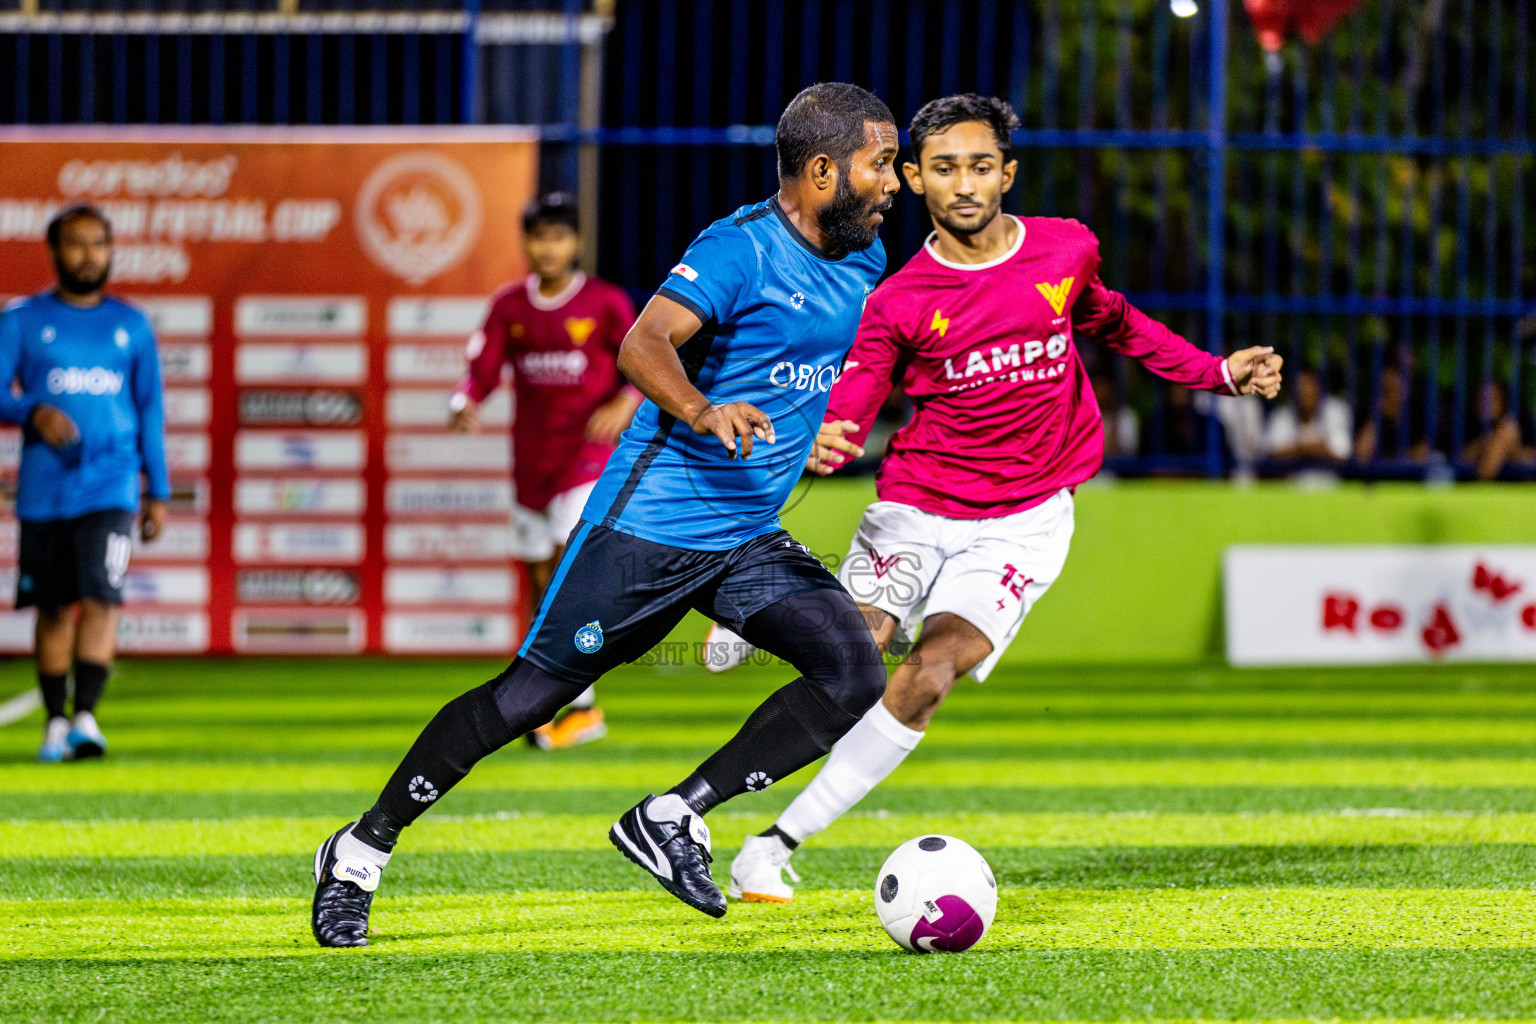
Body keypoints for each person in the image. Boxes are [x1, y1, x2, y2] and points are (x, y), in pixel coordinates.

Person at [310, 81, 901, 946]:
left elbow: (789, 369)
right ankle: (360, 850)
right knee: (528, 701)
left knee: (854, 671)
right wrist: (704, 412)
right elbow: (643, 344)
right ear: (820, 171)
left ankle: (673, 815)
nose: (896, 181)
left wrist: (801, 437)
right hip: (648, 529)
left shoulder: (863, 260)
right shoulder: (739, 249)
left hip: (743, 537)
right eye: (880, 163)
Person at [722, 94, 1283, 903]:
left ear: (1007, 173)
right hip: (919, 503)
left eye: (981, 166)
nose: (964, 184)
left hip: (1026, 520)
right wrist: (829, 431)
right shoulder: (901, 299)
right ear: (914, 178)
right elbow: (856, 395)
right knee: (855, 650)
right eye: (944, 168)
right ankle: (758, 616)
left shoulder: (1066, 251)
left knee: (931, 670)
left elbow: (1117, 323)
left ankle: (772, 846)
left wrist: (1217, 371)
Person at [450, 193, 640, 750]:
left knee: (566, 570)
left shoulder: (605, 303)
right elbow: (480, 370)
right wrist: (465, 401)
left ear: (574, 242)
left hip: (586, 460)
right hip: (531, 462)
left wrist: (623, 401)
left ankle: (575, 705)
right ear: (527, 243)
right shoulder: (510, 307)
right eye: (539, 237)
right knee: (541, 580)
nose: (548, 247)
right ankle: (572, 704)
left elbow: (642, 362)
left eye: (558, 236)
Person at [0, 204, 169, 763]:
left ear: (111, 249)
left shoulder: (131, 324)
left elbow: (149, 411)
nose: (88, 254)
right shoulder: (21, 319)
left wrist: (158, 491)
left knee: (102, 595)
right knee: (53, 607)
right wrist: (31, 412)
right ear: (53, 251)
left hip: (112, 484)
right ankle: (54, 721)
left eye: (98, 243)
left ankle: (87, 719)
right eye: (76, 243)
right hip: (46, 488)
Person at [1265, 368, 1351, 465]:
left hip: (1328, 478)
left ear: (1319, 389)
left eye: (1309, 386)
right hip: (1290, 479)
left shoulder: (1335, 411)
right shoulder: (1281, 415)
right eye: (1300, 387)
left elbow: (1342, 455)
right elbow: (1272, 453)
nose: (1304, 392)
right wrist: (1308, 449)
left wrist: (1297, 449)